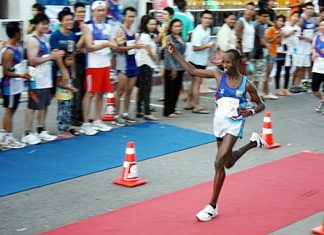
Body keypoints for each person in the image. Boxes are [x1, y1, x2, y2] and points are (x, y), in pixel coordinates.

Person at [167, 43, 267, 222]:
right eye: (224, 62)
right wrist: (175, 54)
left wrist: (251, 111)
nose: (225, 65)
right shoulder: (218, 75)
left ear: (237, 63)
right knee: (227, 163)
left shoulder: (246, 84)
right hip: (219, 123)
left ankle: (212, 206)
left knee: (218, 162)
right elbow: (192, 71)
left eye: (229, 62)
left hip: (234, 124)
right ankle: (253, 142)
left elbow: (261, 104)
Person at [22, 13, 64, 145]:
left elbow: (46, 55)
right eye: (43, 24)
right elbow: (32, 60)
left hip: (46, 77)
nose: (46, 26)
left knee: (44, 105)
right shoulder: (32, 40)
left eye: (47, 24)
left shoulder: (45, 38)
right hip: (36, 77)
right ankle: (27, 133)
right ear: (36, 24)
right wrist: (51, 57)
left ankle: (40, 130)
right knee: (32, 106)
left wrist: (55, 54)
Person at [81, 1, 117, 135]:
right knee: (90, 93)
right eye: (99, 10)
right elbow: (89, 46)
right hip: (93, 65)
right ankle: (85, 123)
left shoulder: (108, 26)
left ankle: (97, 120)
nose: (102, 13)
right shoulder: (88, 26)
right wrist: (107, 44)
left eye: (103, 10)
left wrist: (114, 43)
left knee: (101, 93)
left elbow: (113, 43)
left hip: (105, 64)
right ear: (93, 11)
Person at [0, 22, 31, 149]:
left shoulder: (15, 47)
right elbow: (6, 72)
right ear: (16, 33)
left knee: (12, 110)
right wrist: (21, 76)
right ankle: (7, 136)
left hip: (16, 84)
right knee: (9, 110)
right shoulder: (8, 51)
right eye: (21, 31)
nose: (22, 33)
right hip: (10, 85)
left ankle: (6, 136)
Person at [113, 7, 144, 126]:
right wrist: (134, 47)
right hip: (123, 63)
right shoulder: (120, 30)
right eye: (129, 16)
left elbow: (133, 46)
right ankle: (116, 115)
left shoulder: (133, 31)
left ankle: (125, 114)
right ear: (124, 17)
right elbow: (119, 48)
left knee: (129, 91)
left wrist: (137, 45)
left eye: (133, 16)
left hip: (133, 62)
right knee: (120, 90)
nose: (131, 19)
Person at [185, 10, 214, 114]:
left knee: (194, 82)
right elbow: (195, 47)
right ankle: (197, 106)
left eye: (209, 18)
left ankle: (189, 102)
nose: (207, 20)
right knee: (197, 83)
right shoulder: (198, 31)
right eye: (205, 18)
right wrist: (207, 46)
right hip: (195, 61)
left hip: (202, 60)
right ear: (201, 18)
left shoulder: (207, 30)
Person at [135, 15, 159, 121]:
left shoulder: (147, 35)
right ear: (145, 24)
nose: (153, 26)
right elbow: (149, 51)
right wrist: (156, 60)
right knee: (147, 89)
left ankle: (139, 110)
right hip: (146, 64)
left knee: (142, 88)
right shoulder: (145, 36)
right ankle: (146, 112)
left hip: (142, 63)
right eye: (151, 24)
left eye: (154, 24)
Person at [290, 2, 316, 93]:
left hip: (308, 49)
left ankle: (302, 86)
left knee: (306, 67)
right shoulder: (301, 20)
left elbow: (313, 31)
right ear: (305, 9)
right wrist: (308, 39)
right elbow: (298, 35)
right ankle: (293, 85)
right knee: (298, 68)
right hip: (299, 48)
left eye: (311, 9)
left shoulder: (313, 20)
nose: (310, 10)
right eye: (308, 8)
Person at [50, 9, 76, 95]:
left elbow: (72, 54)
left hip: (68, 71)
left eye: (71, 19)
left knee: (67, 99)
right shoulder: (55, 35)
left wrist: (73, 71)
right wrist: (64, 72)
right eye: (67, 20)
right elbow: (57, 55)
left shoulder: (72, 35)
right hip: (58, 72)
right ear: (61, 21)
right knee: (63, 99)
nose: (70, 22)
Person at [163, 19, 186, 118]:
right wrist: (173, 68)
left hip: (180, 67)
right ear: (171, 28)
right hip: (171, 67)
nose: (178, 28)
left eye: (179, 26)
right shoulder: (169, 38)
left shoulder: (181, 37)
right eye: (176, 26)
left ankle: (173, 108)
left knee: (176, 89)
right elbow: (168, 54)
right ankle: (167, 111)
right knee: (170, 90)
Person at [276, 11, 301, 96]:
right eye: (294, 16)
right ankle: (278, 89)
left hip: (290, 51)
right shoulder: (285, 24)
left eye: (297, 16)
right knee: (279, 69)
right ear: (291, 16)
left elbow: (297, 41)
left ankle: (286, 89)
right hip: (281, 50)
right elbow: (281, 35)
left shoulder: (298, 28)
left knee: (287, 70)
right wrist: (290, 33)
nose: (295, 18)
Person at [56, 52, 79, 138]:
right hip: (62, 94)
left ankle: (67, 128)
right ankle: (61, 130)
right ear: (63, 60)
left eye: (72, 59)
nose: (71, 61)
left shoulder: (69, 70)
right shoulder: (60, 71)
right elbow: (59, 83)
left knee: (67, 111)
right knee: (62, 112)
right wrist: (70, 88)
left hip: (68, 94)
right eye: (69, 59)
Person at [71, 2, 86, 126]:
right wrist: (84, 34)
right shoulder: (73, 28)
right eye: (79, 12)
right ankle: (74, 117)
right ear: (75, 13)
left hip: (87, 62)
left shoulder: (87, 26)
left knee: (84, 90)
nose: (82, 14)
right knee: (76, 89)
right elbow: (75, 48)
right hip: (75, 64)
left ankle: (81, 115)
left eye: (83, 12)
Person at [264, 15, 286, 99]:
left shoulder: (280, 31)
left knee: (268, 74)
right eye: (279, 20)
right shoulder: (271, 29)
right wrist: (276, 37)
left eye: (282, 21)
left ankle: (265, 91)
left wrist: (281, 37)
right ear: (276, 21)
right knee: (267, 73)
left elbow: (279, 43)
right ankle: (266, 92)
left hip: (274, 53)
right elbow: (266, 41)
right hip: (269, 53)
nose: (281, 22)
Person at [251, 9, 269, 92]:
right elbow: (262, 43)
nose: (266, 18)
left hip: (251, 54)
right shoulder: (260, 26)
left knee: (253, 77)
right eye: (264, 16)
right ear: (258, 16)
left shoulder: (252, 24)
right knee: (257, 77)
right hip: (258, 55)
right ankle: (255, 95)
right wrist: (269, 45)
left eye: (267, 16)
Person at [236, 2, 256, 76]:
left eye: (252, 10)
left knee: (247, 75)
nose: (250, 11)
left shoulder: (251, 23)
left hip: (249, 52)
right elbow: (238, 41)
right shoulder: (241, 22)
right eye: (248, 9)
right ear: (245, 10)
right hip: (242, 53)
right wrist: (242, 55)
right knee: (242, 75)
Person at [312, 18, 324, 113]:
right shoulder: (316, 37)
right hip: (318, 65)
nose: (322, 27)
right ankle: (322, 100)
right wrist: (314, 53)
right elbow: (313, 48)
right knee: (315, 88)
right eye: (321, 25)